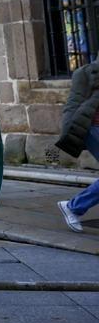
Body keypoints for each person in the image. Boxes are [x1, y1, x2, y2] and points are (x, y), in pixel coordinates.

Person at [55, 59, 99, 232]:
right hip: (92, 127)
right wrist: (68, 131)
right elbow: (73, 102)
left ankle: (74, 206)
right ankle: (73, 207)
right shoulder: (85, 72)